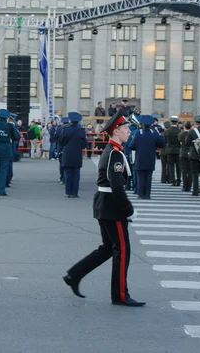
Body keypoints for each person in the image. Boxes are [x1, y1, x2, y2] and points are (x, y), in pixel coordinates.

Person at [63, 109, 144, 307]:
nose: (128, 132)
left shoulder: (115, 150)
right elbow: (115, 184)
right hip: (112, 205)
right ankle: (120, 295)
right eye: (126, 128)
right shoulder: (114, 153)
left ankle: (74, 275)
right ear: (116, 131)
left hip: (106, 203)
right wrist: (127, 207)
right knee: (122, 250)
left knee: (109, 248)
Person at [129, 115, 165, 200]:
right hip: (150, 158)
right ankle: (147, 195)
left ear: (141, 124)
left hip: (140, 158)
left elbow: (131, 146)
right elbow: (162, 144)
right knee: (148, 177)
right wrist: (160, 135)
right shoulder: (154, 134)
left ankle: (141, 194)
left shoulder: (138, 133)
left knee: (140, 177)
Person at [58, 112, 87, 198]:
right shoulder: (81, 131)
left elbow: (60, 142)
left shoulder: (66, 129)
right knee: (76, 174)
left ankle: (68, 192)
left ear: (70, 120)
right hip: (77, 153)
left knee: (68, 173)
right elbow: (84, 144)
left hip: (67, 153)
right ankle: (75, 192)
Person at [185, 115, 200, 197]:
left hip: (194, 155)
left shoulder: (191, 132)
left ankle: (195, 191)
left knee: (194, 174)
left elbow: (187, 143)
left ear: (195, 123)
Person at [164, 117, 182, 186]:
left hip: (170, 150)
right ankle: (179, 180)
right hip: (178, 150)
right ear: (177, 123)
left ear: (171, 122)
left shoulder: (167, 131)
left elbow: (164, 141)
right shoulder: (180, 131)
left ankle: (172, 180)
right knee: (178, 165)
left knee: (171, 166)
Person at [179, 121, 193, 192]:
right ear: (190, 127)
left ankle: (185, 186)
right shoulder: (192, 134)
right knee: (190, 171)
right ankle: (189, 186)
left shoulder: (180, 135)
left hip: (183, 153)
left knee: (184, 171)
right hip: (191, 153)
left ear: (184, 127)